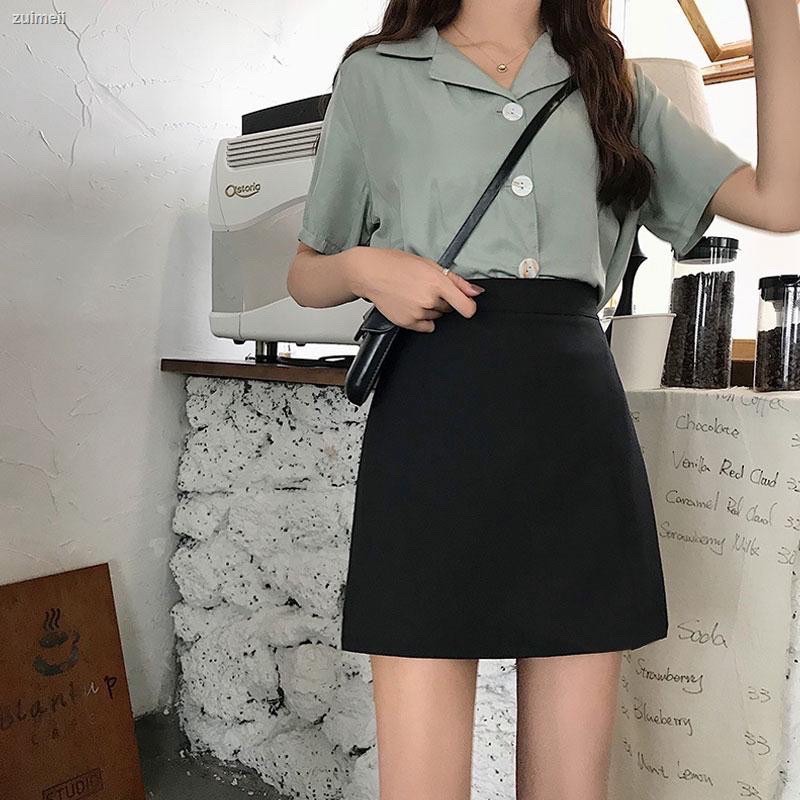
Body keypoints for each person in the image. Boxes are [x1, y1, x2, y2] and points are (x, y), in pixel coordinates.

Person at [286, 1, 800, 798]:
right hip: (434, 419)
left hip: (574, 426)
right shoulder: (378, 75)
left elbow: (780, 202)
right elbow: (305, 272)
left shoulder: (609, 79)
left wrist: (778, 13)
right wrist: (363, 268)